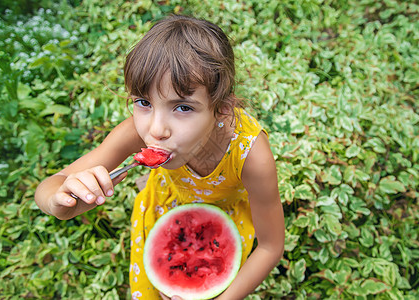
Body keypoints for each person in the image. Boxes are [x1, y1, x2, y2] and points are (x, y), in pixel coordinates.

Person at [35, 14, 285, 299]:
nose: (156, 130)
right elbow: (51, 185)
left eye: (183, 107)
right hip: (163, 207)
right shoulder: (135, 132)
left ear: (222, 108)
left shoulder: (252, 155)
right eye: (144, 103)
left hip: (226, 218)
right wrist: (59, 203)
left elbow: (270, 246)